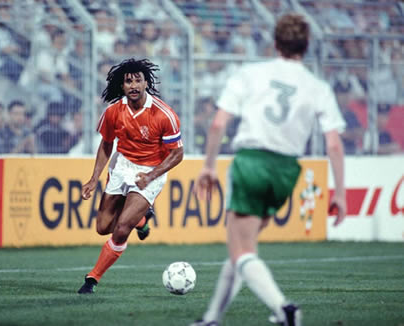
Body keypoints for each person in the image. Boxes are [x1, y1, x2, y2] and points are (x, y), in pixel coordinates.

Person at [191, 14, 346, 326]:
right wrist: (339, 192)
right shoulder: (317, 87)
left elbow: (219, 123)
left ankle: (284, 308)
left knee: (241, 249)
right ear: (307, 46)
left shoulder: (251, 74)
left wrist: (208, 166)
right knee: (244, 247)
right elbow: (334, 145)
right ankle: (211, 319)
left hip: (252, 162)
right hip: (287, 170)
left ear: (274, 44)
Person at [77, 58, 183, 294]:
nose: (134, 85)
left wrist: (152, 175)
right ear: (122, 85)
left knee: (122, 227)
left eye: (138, 80)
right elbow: (106, 144)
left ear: (147, 82)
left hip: (150, 171)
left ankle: (92, 279)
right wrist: (94, 178)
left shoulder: (163, 114)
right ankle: (143, 219)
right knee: (103, 228)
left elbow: (177, 154)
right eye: (128, 81)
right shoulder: (113, 111)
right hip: (121, 166)